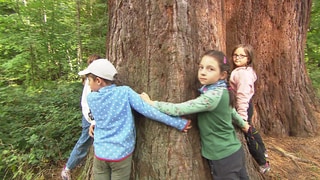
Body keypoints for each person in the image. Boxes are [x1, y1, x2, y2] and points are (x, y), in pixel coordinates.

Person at [141, 50, 250, 180]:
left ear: (222, 75)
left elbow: (179, 109)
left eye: (210, 69)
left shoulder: (211, 97)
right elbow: (231, 111)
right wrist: (243, 124)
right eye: (201, 67)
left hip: (222, 156)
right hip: (234, 151)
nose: (203, 72)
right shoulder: (222, 91)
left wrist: (152, 103)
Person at [77, 59, 191, 180]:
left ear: (99, 81)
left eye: (89, 80)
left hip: (100, 154)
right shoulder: (125, 92)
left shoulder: (91, 98)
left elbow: (100, 116)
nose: (88, 84)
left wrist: (93, 123)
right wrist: (178, 123)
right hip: (120, 154)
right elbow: (149, 111)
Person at [230, 44, 270, 174]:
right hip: (245, 106)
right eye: (235, 55)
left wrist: (242, 117)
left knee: (248, 133)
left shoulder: (243, 74)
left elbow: (242, 96)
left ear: (248, 58)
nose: (237, 58)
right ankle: (263, 150)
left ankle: (263, 162)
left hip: (242, 107)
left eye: (242, 55)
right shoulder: (242, 71)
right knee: (251, 129)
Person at [61, 54, 102, 180]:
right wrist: (92, 121)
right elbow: (87, 104)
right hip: (89, 118)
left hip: (95, 117)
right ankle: (68, 168)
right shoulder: (90, 82)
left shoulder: (96, 79)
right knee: (84, 141)